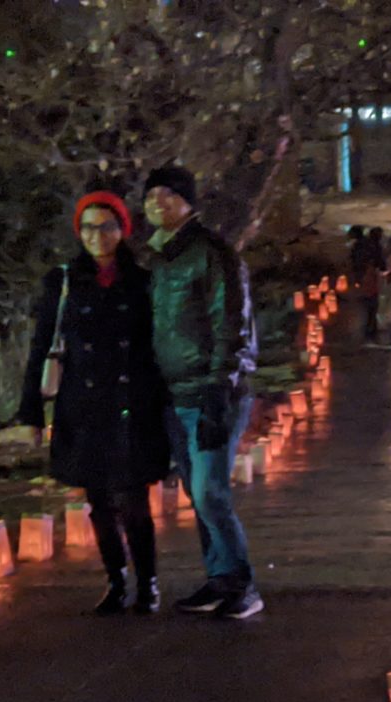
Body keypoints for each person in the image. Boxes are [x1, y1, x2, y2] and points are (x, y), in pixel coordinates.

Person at [17, 190, 169, 615]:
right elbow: (42, 345)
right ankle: (116, 580)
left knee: (134, 499)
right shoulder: (63, 281)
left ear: (122, 230)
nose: (96, 236)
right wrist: (31, 411)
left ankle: (148, 582)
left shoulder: (142, 281)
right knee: (99, 500)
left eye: (106, 226)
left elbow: (155, 345)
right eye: (87, 227)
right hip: (83, 405)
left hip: (131, 403)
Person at [142, 165, 263, 620]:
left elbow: (231, 323)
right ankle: (220, 577)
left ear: (188, 202)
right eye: (151, 196)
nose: (158, 203)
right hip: (175, 394)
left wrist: (220, 387)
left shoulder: (212, 253)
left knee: (210, 492)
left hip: (212, 392)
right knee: (199, 495)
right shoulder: (158, 258)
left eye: (168, 195)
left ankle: (243, 585)